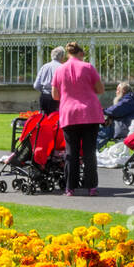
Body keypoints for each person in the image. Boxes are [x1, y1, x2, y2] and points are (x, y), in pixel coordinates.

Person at [51, 42, 104, 196]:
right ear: (80, 53)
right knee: (89, 152)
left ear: (68, 54)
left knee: (71, 152)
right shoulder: (88, 67)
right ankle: (91, 186)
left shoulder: (60, 70)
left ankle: (70, 187)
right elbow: (100, 89)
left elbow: (55, 95)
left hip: (69, 113)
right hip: (90, 113)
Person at [96, 82, 134, 148]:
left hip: (124, 129)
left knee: (102, 128)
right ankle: (90, 149)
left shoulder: (128, 100)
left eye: (117, 90)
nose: (116, 92)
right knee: (100, 126)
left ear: (123, 90)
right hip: (123, 127)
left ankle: (91, 150)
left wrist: (101, 111)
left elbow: (114, 110)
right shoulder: (129, 100)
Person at [34, 46, 67, 114]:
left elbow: (36, 85)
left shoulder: (44, 67)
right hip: (57, 97)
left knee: (44, 120)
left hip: (44, 97)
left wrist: (44, 91)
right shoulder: (62, 67)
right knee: (56, 120)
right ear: (62, 57)